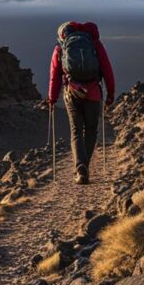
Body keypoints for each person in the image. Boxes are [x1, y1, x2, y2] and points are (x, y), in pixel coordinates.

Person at [45, 21, 115, 184]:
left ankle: (80, 167)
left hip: (72, 92)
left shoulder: (61, 47)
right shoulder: (95, 45)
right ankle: (84, 167)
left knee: (76, 130)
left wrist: (52, 98)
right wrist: (110, 95)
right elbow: (107, 70)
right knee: (91, 130)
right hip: (93, 93)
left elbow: (54, 75)